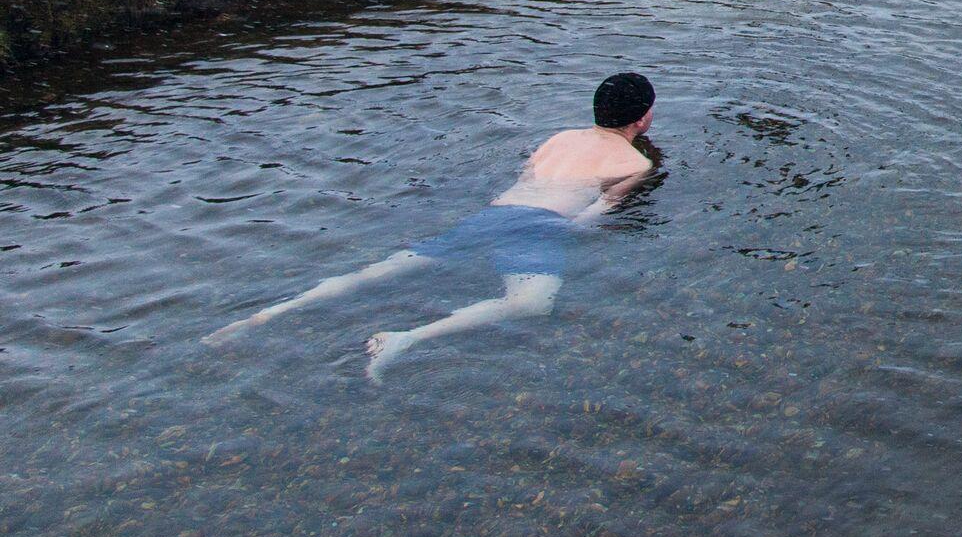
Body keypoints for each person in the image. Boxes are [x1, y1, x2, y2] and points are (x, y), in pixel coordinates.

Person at [205, 72, 659, 380]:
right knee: (529, 304)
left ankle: (273, 311)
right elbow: (596, 213)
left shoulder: (559, 138)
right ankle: (405, 338)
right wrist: (567, 236)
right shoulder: (633, 160)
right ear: (642, 118)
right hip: (539, 226)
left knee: (385, 269)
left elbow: (524, 177)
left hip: (494, 213)